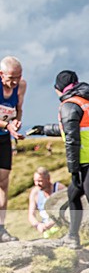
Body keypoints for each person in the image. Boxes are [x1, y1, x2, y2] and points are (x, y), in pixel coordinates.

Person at [27, 70, 89, 249]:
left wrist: (73, 169)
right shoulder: (83, 101)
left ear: (57, 88)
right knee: (73, 194)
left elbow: (72, 140)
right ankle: (72, 237)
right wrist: (44, 129)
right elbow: (70, 128)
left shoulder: (69, 105)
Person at [0, 56, 27, 242]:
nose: (14, 81)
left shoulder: (21, 85)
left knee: (3, 183)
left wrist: (16, 121)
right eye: (11, 78)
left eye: (18, 76)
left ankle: (1, 229)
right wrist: (6, 125)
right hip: (4, 131)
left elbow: (19, 109)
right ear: (1, 74)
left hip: (3, 139)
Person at [28, 167, 64, 235]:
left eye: (40, 181)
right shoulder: (35, 193)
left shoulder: (59, 188)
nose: (37, 184)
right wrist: (38, 225)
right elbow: (31, 215)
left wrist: (53, 223)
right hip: (47, 229)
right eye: (35, 181)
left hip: (61, 225)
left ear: (48, 179)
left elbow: (68, 210)